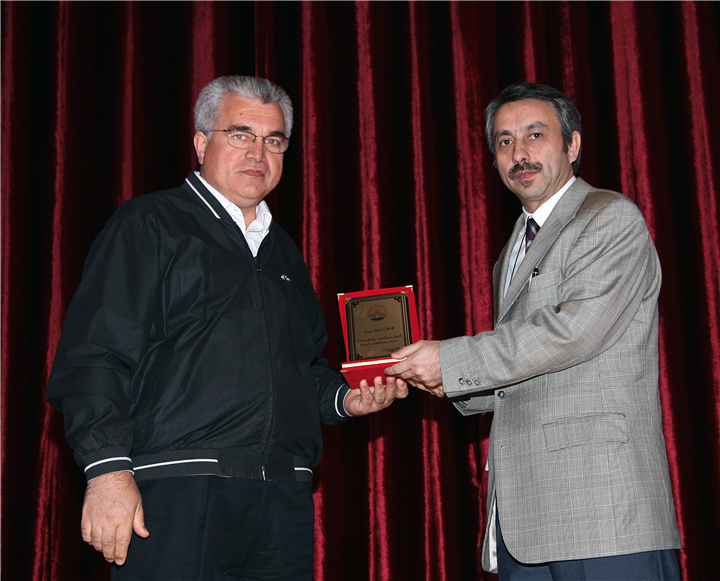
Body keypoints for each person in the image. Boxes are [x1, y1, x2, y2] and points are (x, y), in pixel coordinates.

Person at [47, 75, 407, 581]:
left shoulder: (284, 251)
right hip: (177, 490)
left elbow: (305, 368)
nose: (258, 153)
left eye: (274, 140)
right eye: (240, 134)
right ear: (201, 144)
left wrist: (346, 399)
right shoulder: (149, 223)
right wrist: (106, 470)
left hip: (282, 497)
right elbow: (95, 355)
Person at [386, 82, 681, 580]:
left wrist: (451, 362)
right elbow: (529, 371)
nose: (518, 153)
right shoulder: (513, 248)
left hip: (602, 510)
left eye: (535, 135)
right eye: (504, 142)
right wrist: (441, 380)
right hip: (526, 517)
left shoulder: (609, 217)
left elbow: (573, 333)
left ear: (573, 144)